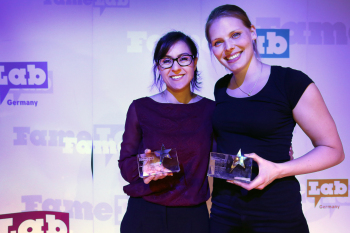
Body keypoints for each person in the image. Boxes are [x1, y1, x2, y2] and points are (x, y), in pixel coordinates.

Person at [205, 4, 345, 233]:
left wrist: (278, 169)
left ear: (252, 32)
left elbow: (333, 150)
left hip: (277, 212)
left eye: (235, 35)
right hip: (224, 212)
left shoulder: (290, 82)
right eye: (218, 42)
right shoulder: (220, 88)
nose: (228, 47)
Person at [118, 31, 215, 233]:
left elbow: (226, 159)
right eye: (167, 61)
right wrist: (149, 165)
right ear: (158, 67)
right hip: (145, 214)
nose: (176, 67)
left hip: (192, 217)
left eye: (183, 59)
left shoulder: (211, 110)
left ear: (194, 63)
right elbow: (126, 166)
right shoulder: (140, 108)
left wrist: (276, 155)